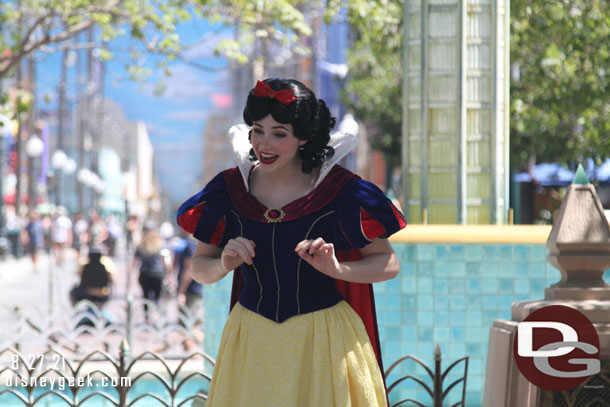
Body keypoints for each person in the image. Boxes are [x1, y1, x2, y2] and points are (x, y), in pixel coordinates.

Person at [176, 78, 406, 406]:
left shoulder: (341, 190)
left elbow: (389, 263)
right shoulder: (229, 189)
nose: (264, 144)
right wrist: (224, 263)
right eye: (257, 130)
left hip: (322, 341)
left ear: (304, 138)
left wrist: (338, 268)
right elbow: (200, 267)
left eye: (279, 133)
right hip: (252, 341)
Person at [132, 223, 171, 307]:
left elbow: (135, 261)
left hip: (145, 273)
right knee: (157, 296)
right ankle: (156, 314)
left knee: (145, 296)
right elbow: (166, 261)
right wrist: (168, 274)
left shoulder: (141, 245)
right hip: (158, 273)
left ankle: (146, 316)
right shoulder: (161, 244)